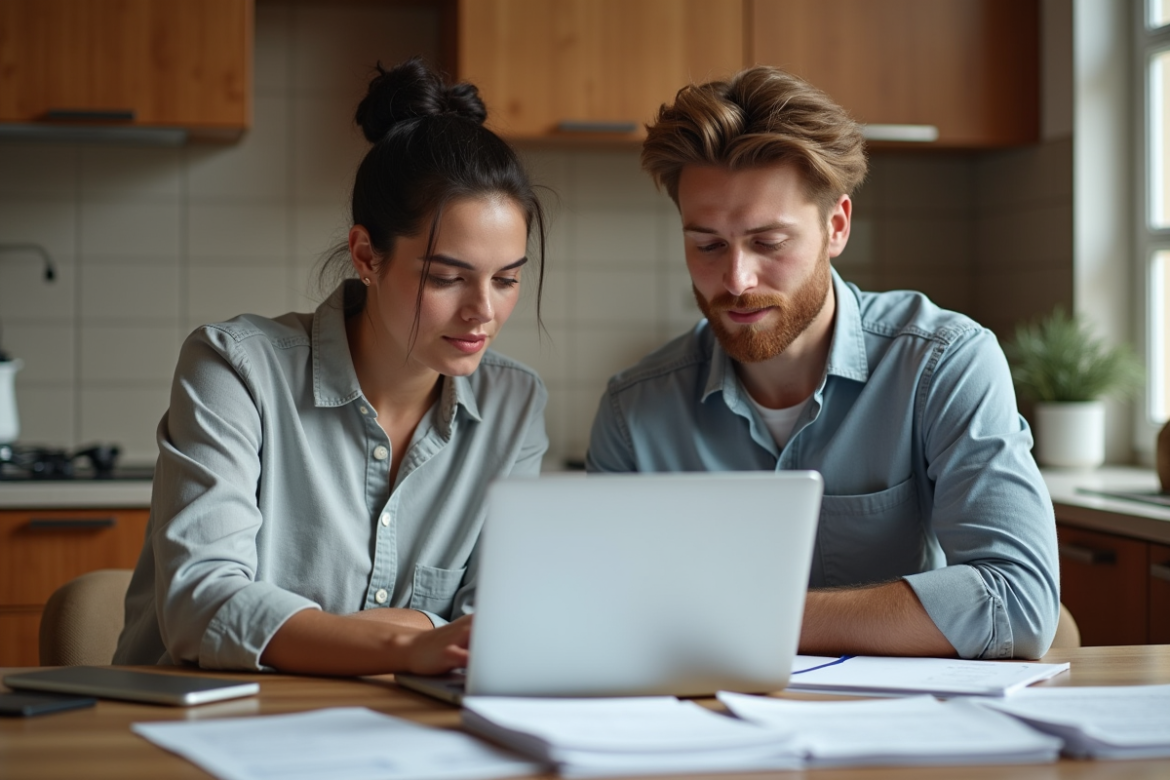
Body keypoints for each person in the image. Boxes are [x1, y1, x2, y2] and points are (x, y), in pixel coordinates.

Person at [586, 66, 1060, 660]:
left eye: (768, 242)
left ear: (836, 226)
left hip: (901, 733)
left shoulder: (944, 364)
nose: (736, 280)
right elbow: (601, 609)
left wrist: (750, 617)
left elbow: (1017, 603)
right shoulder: (634, 408)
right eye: (707, 245)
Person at [114, 58, 549, 675]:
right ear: (367, 255)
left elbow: (505, 621)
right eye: (447, 277)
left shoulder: (515, 405)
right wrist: (412, 641)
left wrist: (314, 633)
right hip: (199, 733)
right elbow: (203, 605)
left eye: (506, 280)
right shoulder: (235, 370)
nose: (483, 311)